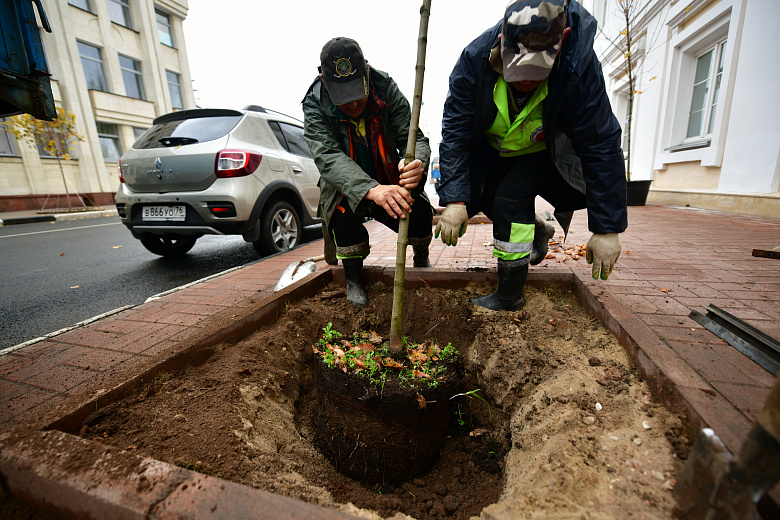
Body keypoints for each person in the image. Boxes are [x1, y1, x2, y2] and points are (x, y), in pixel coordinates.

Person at [435, 0, 627, 311]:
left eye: (536, 70)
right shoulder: (475, 60)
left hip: (541, 152)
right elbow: (456, 132)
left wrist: (607, 228)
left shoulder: (578, 68)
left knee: (510, 201)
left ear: (561, 41)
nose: (525, 80)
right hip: (493, 148)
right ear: (502, 41)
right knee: (480, 195)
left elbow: (600, 143)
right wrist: (456, 201)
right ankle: (537, 229)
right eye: (517, 67)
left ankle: (510, 295)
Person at [303, 37, 433, 307]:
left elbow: (414, 138)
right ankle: (353, 279)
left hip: (387, 176)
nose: (352, 106)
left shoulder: (385, 87)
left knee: (418, 213)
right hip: (346, 188)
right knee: (341, 217)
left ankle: (421, 253)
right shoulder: (314, 103)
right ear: (325, 82)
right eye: (343, 98)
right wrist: (370, 190)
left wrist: (417, 163)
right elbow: (326, 156)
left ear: (367, 71)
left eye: (356, 93)